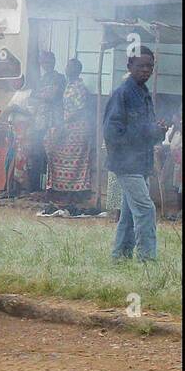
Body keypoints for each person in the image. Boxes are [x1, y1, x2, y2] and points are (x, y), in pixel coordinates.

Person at [102, 48, 166, 262]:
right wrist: (148, 132)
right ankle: (147, 261)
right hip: (126, 164)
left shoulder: (143, 93)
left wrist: (158, 132)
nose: (146, 70)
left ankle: (120, 257)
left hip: (140, 163)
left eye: (150, 66)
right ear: (129, 67)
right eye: (141, 66)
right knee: (146, 210)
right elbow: (112, 133)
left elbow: (146, 131)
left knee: (129, 214)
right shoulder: (123, 94)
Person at [44, 58, 95, 207]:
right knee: (53, 151)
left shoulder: (79, 87)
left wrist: (64, 122)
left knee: (74, 161)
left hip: (77, 128)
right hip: (68, 126)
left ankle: (73, 193)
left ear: (77, 70)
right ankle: (59, 191)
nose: (67, 69)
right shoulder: (69, 85)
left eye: (70, 67)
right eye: (67, 66)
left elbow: (80, 110)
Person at [27, 51, 66, 192]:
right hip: (39, 121)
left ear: (54, 62)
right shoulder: (41, 80)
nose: (46, 65)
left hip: (53, 122)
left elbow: (51, 95)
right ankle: (35, 188)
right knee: (36, 153)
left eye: (49, 62)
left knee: (51, 154)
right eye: (44, 62)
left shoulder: (59, 78)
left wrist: (38, 95)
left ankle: (52, 188)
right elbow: (32, 98)